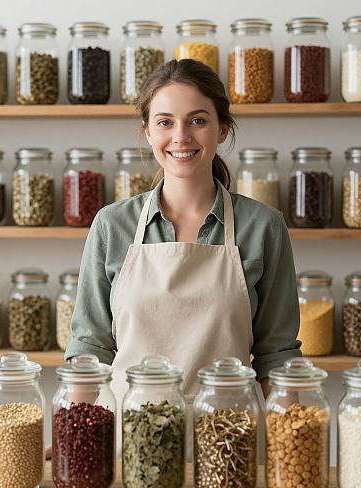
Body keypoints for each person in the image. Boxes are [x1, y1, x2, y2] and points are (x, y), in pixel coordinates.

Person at [66, 58, 301, 403]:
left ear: (222, 129)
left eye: (197, 120)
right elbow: (91, 348)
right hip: (131, 436)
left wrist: (287, 447)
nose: (180, 136)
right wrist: (75, 432)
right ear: (148, 131)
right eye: (165, 122)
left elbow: (276, 357)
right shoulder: (111, 225)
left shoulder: (263, 227)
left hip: (227, 437)